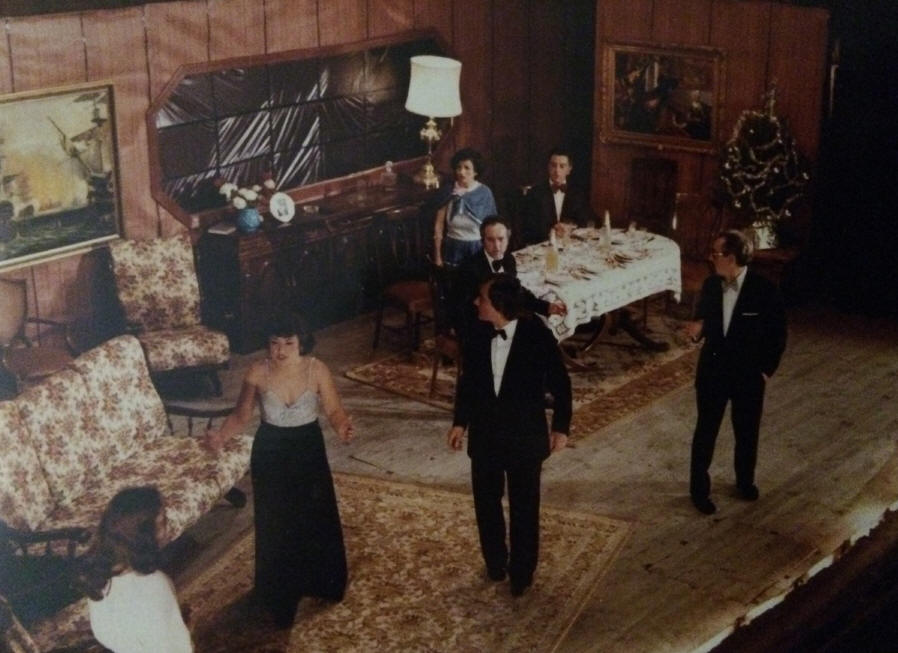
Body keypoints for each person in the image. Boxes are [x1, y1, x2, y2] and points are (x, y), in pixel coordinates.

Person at [205, 313, 354, 627]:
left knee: (314, 515)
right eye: (274, 343)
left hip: (308, 449)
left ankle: (321, 581)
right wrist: (220, 437)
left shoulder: (317, 369)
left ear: (302, 342)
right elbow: (241, 415)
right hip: (271, 451)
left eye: (288, 343)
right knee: (277, 521)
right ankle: (280, 592)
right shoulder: (257, 372)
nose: (281, 350)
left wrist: (342, 426)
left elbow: (334, 409)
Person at [447, 274, 572, 596]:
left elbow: (561, 384)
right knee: (486, 504)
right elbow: (468, 383)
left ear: (499, 305)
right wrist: (460, 423)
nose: (476, 302)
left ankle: (521, 572)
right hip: (486, 435)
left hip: (524, 437)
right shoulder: (477, 331)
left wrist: (560, 427)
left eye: (482, 299)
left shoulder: (537, 335)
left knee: (524, 507)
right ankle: (495, 562)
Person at [684, 229, 787, 515]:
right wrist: (697, 329)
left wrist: (765, 371)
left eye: (716, 254)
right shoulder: (710, 285)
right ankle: (699, 491)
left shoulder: (764, 290)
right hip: (713, 371)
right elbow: (702, 321)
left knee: (747, 432)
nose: (711, 258)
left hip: (748, 375)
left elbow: (778, 335)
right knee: (705, 432)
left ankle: (744, 482)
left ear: (730, 258)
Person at [76, 486, 193, 653]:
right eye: (162, 523)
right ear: (143, 537)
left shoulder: (98, 580)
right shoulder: (154, 584)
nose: (166, 529)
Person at [452, 215, 566, 342]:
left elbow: (516, 292)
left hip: (506, 320)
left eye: (501, 239)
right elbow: (463, 312)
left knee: (542, 330)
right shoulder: (469, 269)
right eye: (490, 240)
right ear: (482, 241)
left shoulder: (509, 260)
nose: (497, 246)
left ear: (508, 238)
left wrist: (546, 307)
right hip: (482, 329)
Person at [433, 147, 497, 267]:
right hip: (453, 247)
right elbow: (439, 225)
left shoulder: (485, 193)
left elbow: (493, 226)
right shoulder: (448, 191)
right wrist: (438, 256)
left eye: (467, 168)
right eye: (459, 167)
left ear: (475, 171)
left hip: (477, 248)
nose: (462, 172)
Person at [521, 147, 596, 246]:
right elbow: (528, 226)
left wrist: (570, 228)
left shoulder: (577, 192)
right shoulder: (535, 193)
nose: (557, 171)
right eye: (553, 165)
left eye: (562, 166)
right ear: (548, 167)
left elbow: (586, 220)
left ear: (569, 169)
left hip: (571, 245)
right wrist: (552, 231)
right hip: (543, 245)